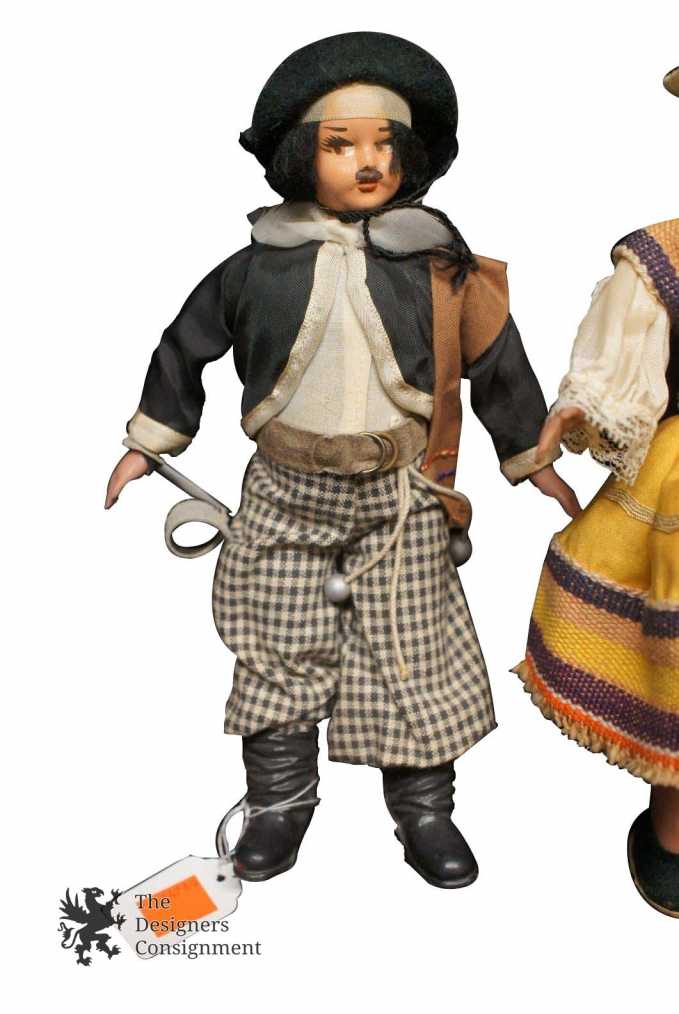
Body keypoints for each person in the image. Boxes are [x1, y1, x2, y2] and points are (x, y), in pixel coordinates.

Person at [106, 32, 576, 889]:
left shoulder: (443, 269)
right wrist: (149, 442)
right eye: (339, 144)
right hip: (285, 492)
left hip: (402, 495)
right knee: (278, 648)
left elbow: (498, 362)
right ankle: (278, 805)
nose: (367, 163)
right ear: (300, 156)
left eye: (384, 145)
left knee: (414, 651)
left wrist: (528, 454)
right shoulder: (254, 268)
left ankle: (424, 812)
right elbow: (184, 346)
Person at [517, 65, 679, 918]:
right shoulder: (664, 256)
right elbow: (618, 361)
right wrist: (581, 406)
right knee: (672, 670)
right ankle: (675, 827)